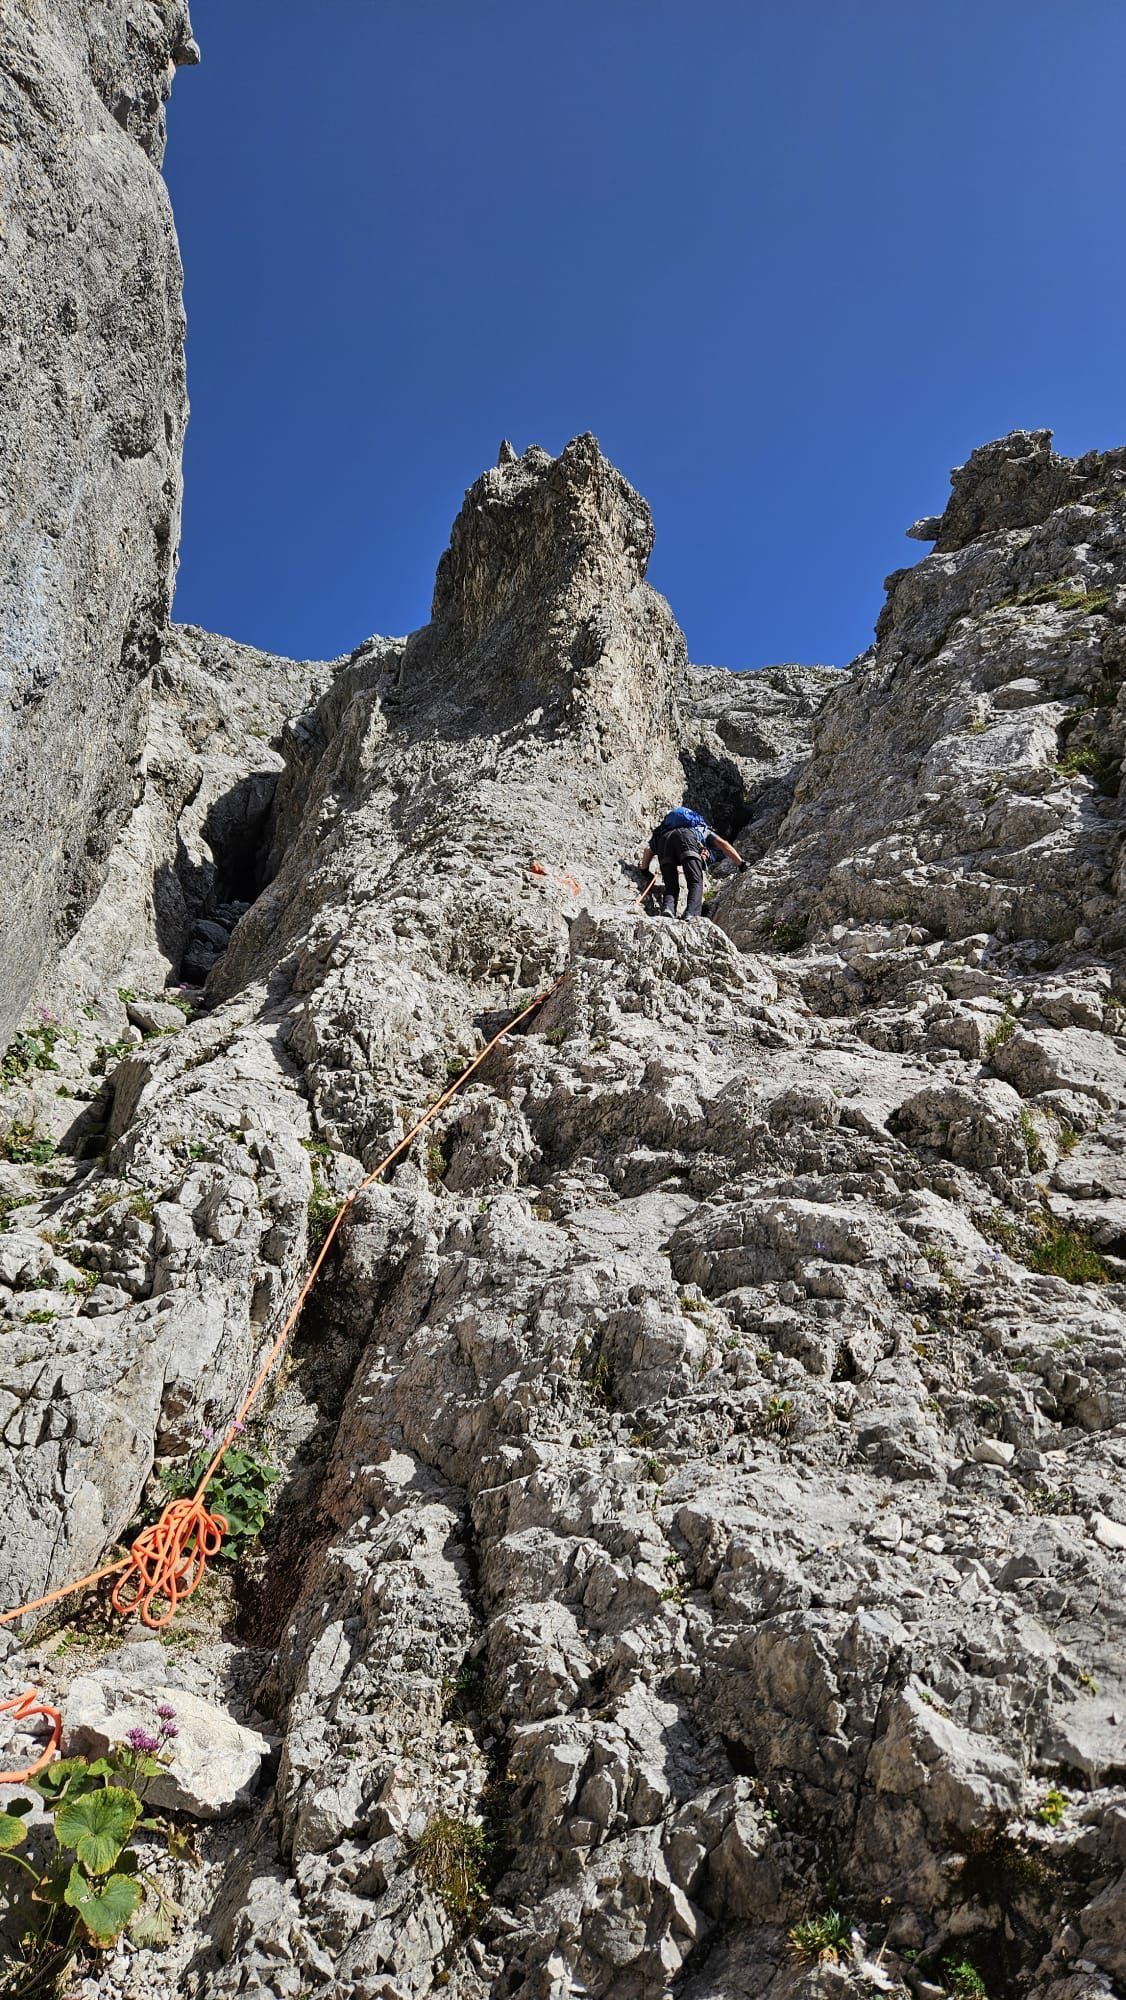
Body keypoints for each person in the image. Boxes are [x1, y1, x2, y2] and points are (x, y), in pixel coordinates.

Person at [640, 807, 747, 920]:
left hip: (664, 842)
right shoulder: (701, 828)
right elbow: (723, 844)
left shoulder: (663, 832)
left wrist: (645, 871)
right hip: (687, 839)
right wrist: (741, 863)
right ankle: (691, 914)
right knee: (695, 881)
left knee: (671, 886)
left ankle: (668, 909)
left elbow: (648, 850)